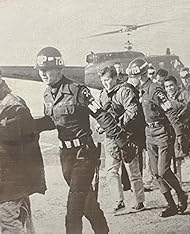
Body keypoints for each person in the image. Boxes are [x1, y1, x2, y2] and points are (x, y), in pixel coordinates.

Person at [34, 47, 135, 234]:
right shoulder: (47, 95)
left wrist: (122, 142)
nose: (43, 73)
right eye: (40, 70)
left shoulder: (78, 90)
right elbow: (51, 121)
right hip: (65, 157)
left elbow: (101, 115)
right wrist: (27, 126)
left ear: (59, 69)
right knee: (88, 204)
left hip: (84, 154)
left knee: (73, 209)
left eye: (46, 69)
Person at [0, 62, 47, 234]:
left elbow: (29, 133)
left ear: (0, 78)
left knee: (5, 218)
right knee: (21, 217)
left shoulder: (13, 103)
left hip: (14, 171)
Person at [127, 58, 188, 217]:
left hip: (162, 133)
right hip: (150, 134)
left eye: (132, 77)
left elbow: (170, 112)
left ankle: (181, 194)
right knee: (155, 172)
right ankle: (171, 205)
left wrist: (180, 134)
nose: (130, 80)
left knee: (164, 170)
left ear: (139, 76)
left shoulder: (155, 90)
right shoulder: (140, 91)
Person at [98, 65, 145, 212]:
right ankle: (118, 201)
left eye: (107, 80)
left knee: (133, 171)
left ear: (115, 78)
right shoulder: (103, 95)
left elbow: (133, 111)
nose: (105, 83)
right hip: (111, 138)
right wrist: (102, 126)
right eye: (103, 80)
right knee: (111, 171)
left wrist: (116, 124)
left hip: (127, 136)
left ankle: (139, 200)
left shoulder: (124, 91)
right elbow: (102, 115)